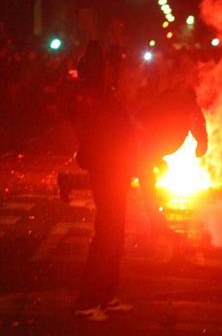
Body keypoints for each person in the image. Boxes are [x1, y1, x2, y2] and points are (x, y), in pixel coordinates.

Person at [71, 41, 136, 321]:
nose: (115, 73)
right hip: (108, 171)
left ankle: (106, 296)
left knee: (115, 235)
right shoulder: (96, 99)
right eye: (110, 68)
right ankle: (86, 302)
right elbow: (96, 140)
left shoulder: (103, 97)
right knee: (107, 236)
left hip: (115, 171)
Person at [135, 81, 208, 236]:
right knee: (146, 176)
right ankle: (155, 222)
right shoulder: (188, 101)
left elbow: (141, 116)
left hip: (148, 142)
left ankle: (155, 220)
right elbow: (198, 122)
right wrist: (202, 144)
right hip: (160, 142)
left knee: (148, 171)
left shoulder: (163, 99)